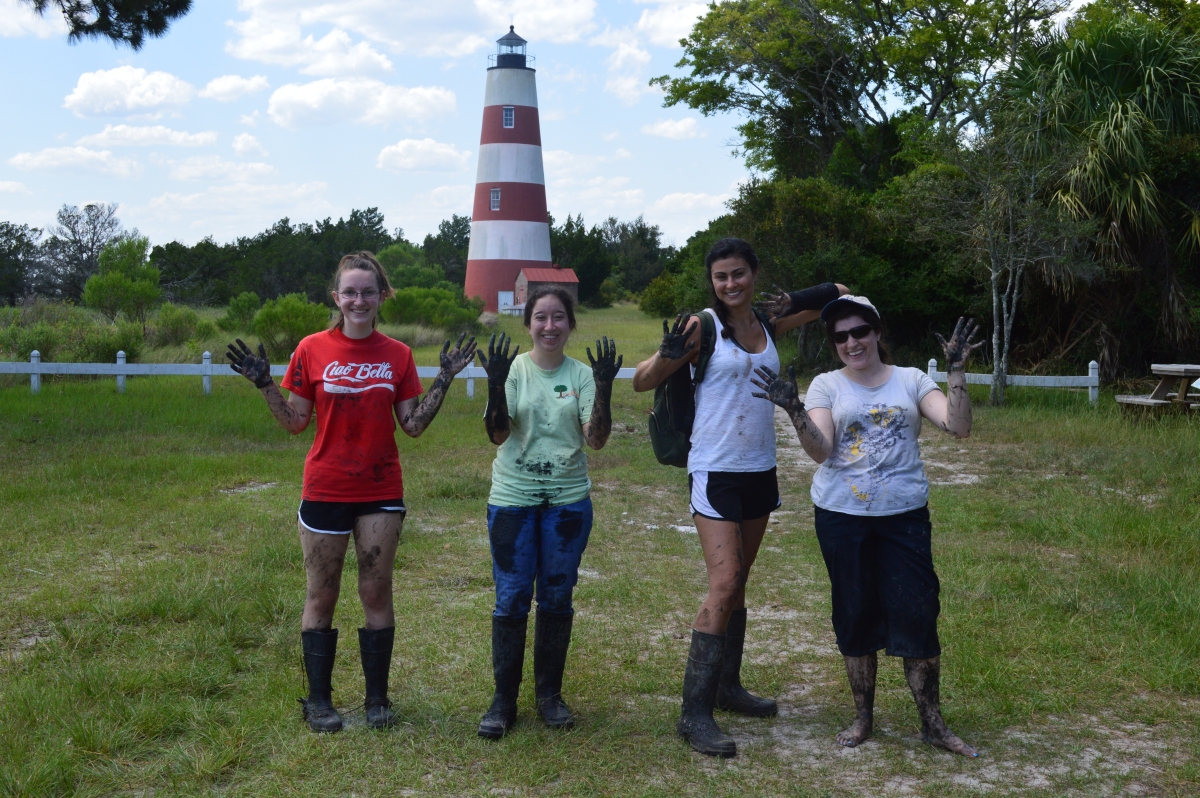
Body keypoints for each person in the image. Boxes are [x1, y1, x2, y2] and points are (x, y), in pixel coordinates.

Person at [225, 251, 476, 733]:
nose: (359, 300)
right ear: (336, 297)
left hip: (380, 488)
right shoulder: (311, 349)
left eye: (368, 292)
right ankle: (319, 702)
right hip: (326, 487)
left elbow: (413, 425)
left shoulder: (397, 355)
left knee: (375, 589)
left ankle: (377, 700)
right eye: (350, 292)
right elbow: (296, 422)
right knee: (322, 593)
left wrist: (444, 379)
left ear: (382, 296)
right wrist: (263, 385)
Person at [631, 237, 847, 758]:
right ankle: (693, 713)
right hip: (716, 468)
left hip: (760, 468)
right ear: (712, 282)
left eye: (739, 274)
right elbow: (641, 381)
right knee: (724, 582)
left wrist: (790, 300)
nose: (730, 284)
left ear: (754, 274)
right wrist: (665, 357)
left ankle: (727, 688)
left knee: (740, 583)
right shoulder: (702, 326)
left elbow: (840, 294)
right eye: (721, 276)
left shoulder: (769, 325)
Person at [750, 295, 982, 757]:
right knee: (853, 614)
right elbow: (820, 450)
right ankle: (862, 717)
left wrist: (956, 371)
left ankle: (932, 723)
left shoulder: (912, 380)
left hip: (903, 518)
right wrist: (794, 409)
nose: (851, 342)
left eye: (859, 331)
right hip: (842, 517)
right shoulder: (826, 386)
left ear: (877, 332)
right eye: (840, 336)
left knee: (918, 613)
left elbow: (957, 427)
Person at [474, 286, 621, 739]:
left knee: (557, 597)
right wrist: (496, 384)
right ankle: (503, 700)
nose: (550, 326)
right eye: (541, 317)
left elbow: (594, 440)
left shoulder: (578, 374)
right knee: (512, 597)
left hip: (567, 502)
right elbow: (498, 435)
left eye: (559, 317)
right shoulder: (515, 368)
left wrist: (603, 387)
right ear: (528, 323)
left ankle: (549, 696)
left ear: (570, 324)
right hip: (513, 500)